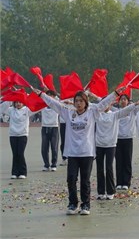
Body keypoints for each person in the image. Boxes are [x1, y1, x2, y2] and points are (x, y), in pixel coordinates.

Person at [37, 87, 123, 215]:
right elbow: (53, 103)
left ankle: (85, 205)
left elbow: (104, 103)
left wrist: (116, 93)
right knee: (71, 178)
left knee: (85, 180)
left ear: (86, 102)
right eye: (76, 101)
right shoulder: (67, 112)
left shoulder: (92, 112)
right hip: (72, 152)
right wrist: (41, 94)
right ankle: (72, 204)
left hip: (87, 152)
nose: (78, 103)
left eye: (81, 101)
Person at [95, 98, 139, 200]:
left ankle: (111, 191)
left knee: (108, 167)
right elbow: (86, 105)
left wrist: (135, 104)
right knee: (99, 168)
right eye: (102, 105)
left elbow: (126, 110)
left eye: (106, 104)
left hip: (111, 145)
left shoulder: (115, 114)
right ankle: (101, 191)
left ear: (110, 104)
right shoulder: (96, 114)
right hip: (99, 144)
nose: (104, 106)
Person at [0, 99, 40, 179]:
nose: (18, 104)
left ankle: (23, 172)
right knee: (15, 153)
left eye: (20, 102)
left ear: (23, 103)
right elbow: (1, 108)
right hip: (13, 135)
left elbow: (37, 107)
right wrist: (9, 100)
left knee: (20, 153)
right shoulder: (11, 110)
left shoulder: (27, 110)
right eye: (16, 102)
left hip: (23, 135)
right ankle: (14, 173)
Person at [116, 93, 139, 190]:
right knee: (119, 161)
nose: (123, 101)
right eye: (121, 99)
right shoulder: (116, 112)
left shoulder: (133, 111)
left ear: (128, 101)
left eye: (125, 99)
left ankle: (126, 182)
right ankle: (119, 182)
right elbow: (103, 104)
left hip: (128, 139)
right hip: (117, 139)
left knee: (127, 161)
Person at [40, 90, 60, 172]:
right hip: (45, 128)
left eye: (50, 95)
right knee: (44, 148)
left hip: (54, 127)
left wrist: (54, 94)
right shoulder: (42, 105)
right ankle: (46, 164)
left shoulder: (56, 104)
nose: (48, 97)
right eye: (47, 95)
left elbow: (61, 99)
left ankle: (54, 164)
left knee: (54, 147)